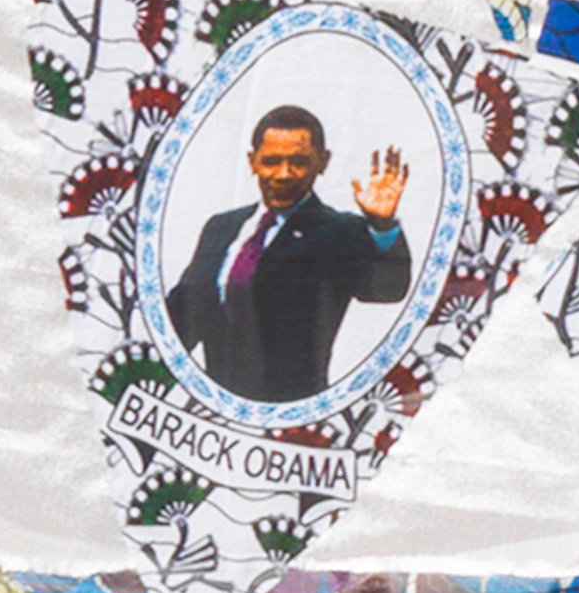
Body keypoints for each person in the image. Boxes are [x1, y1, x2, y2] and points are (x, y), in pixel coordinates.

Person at [165, 105, 411, 402]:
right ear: (253, 162)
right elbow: (183, 315)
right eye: (271, 161)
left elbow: (388, 288)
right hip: (215, 409)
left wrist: (383, 225)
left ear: (323, 162)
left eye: (299, 162)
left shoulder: (339, 231)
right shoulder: (221, 227)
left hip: (290, 413)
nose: (283, 174)